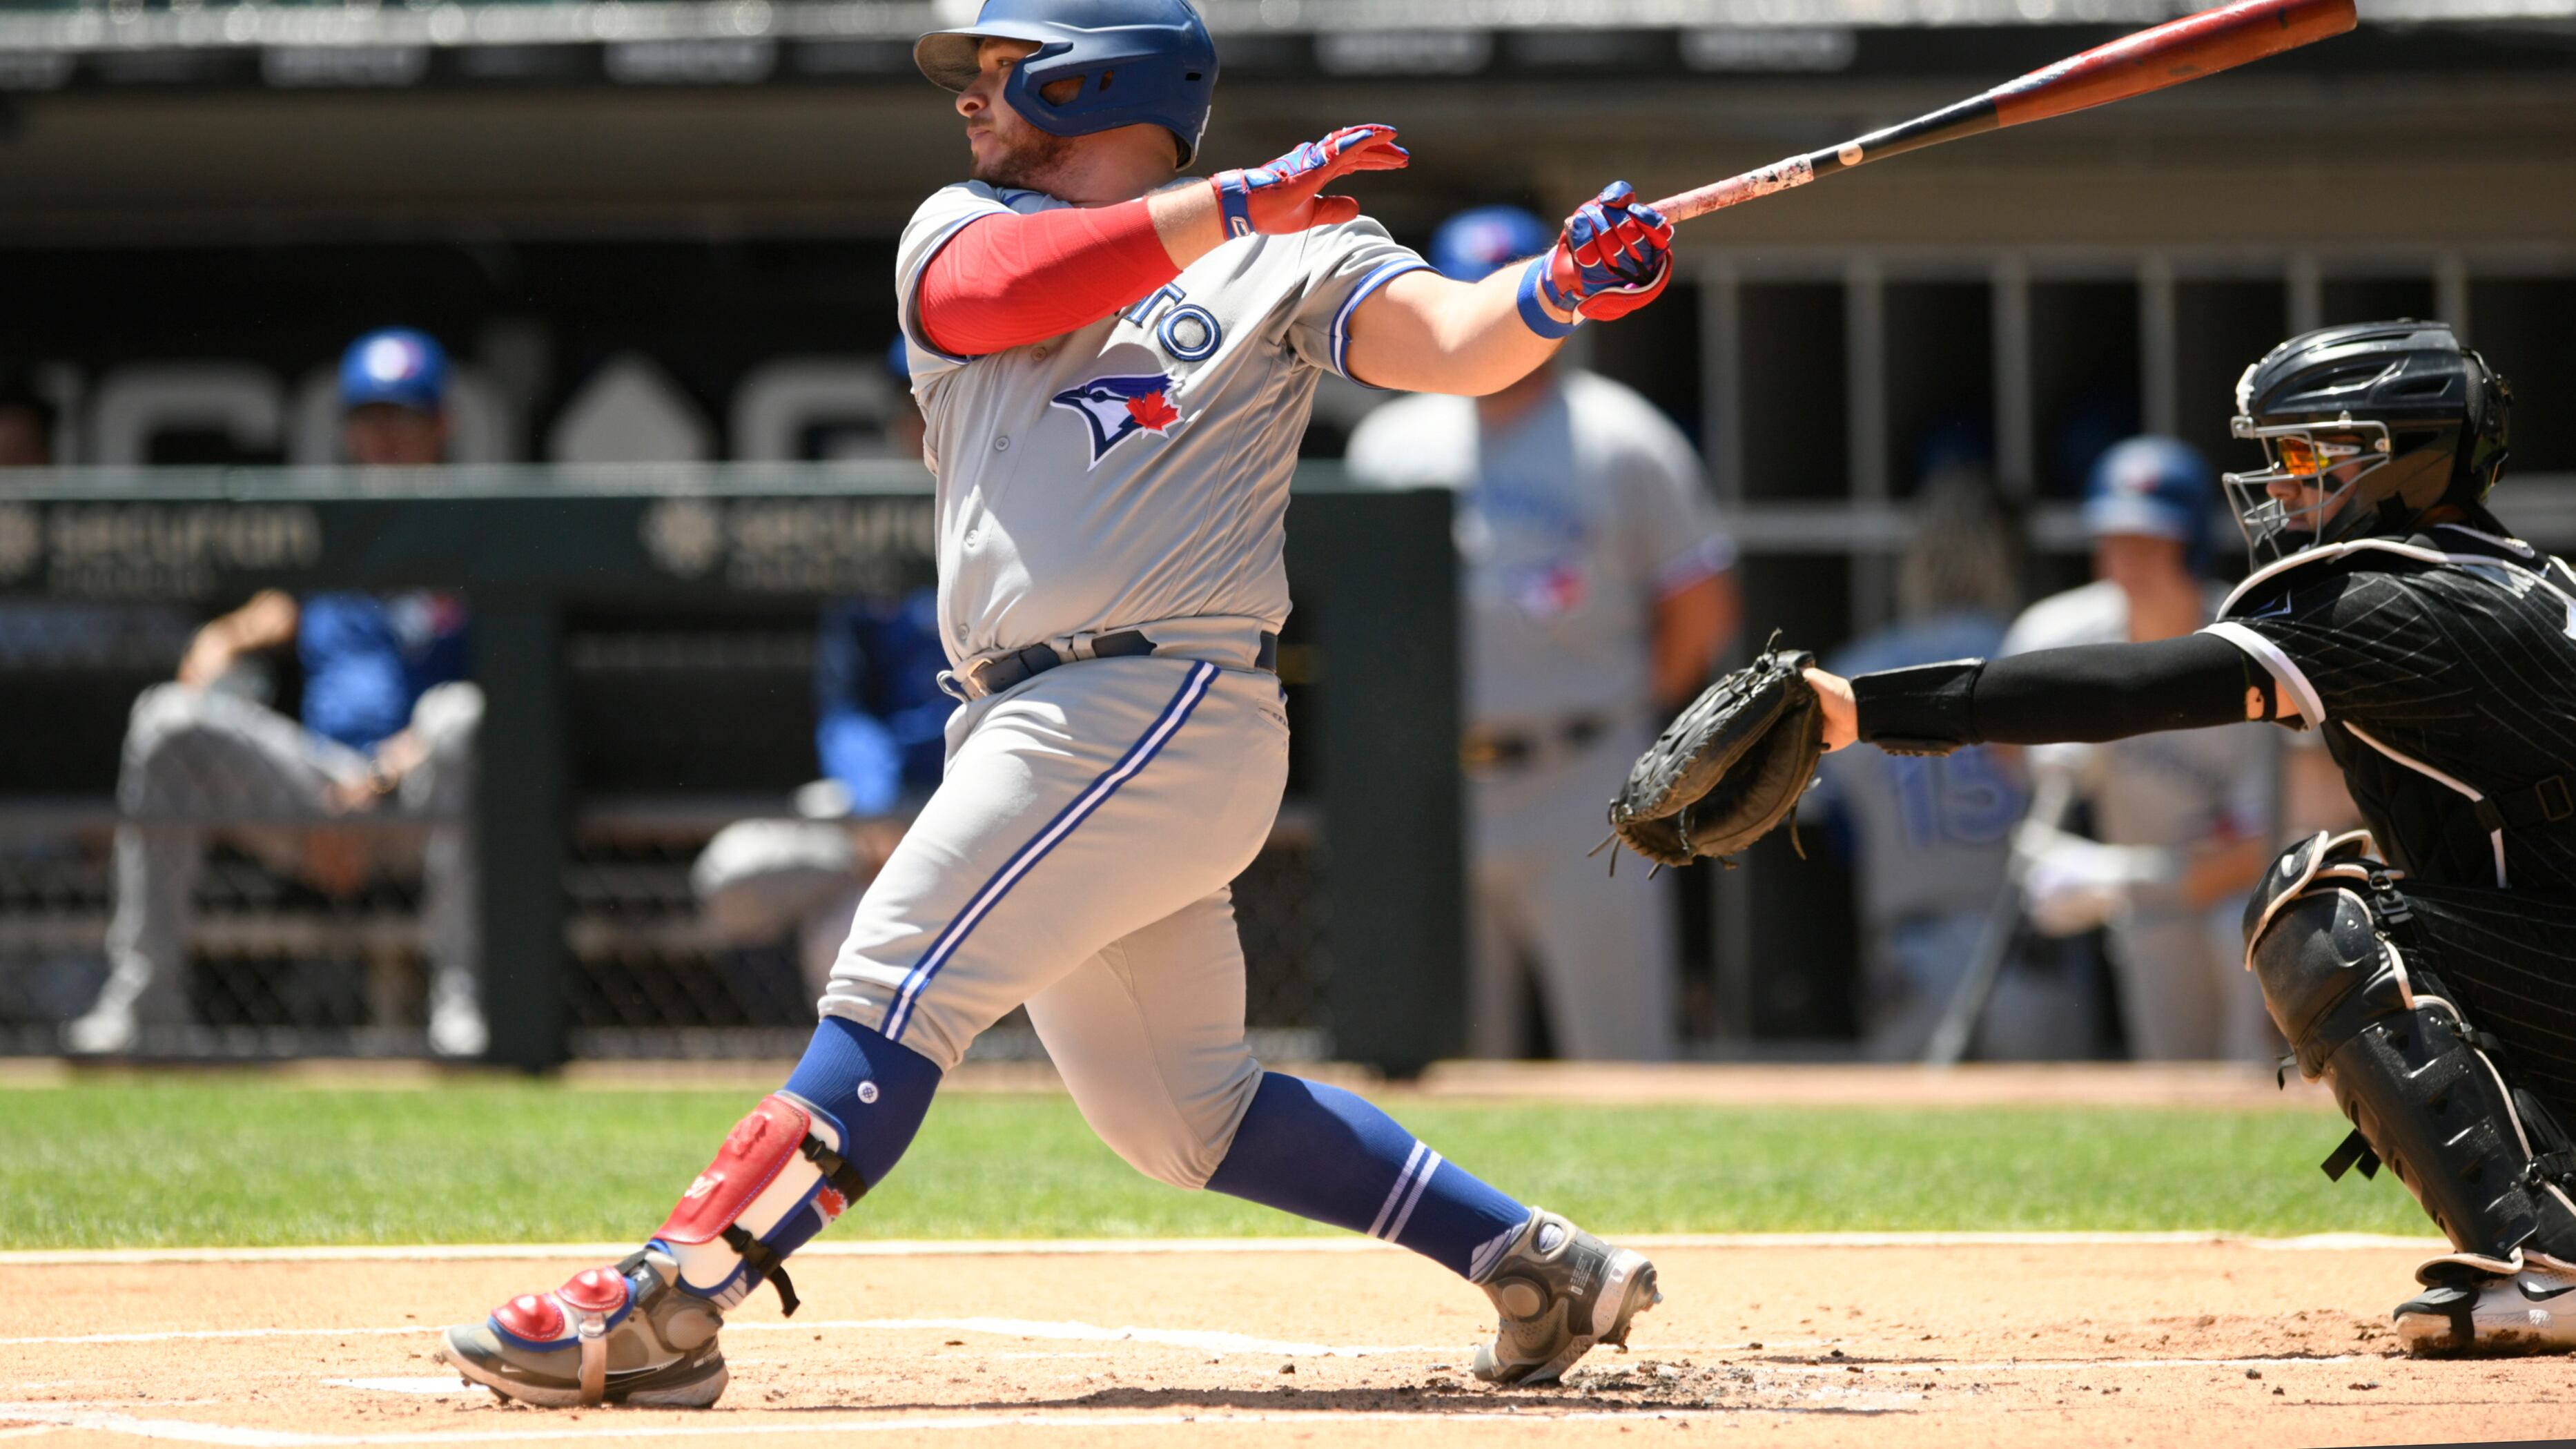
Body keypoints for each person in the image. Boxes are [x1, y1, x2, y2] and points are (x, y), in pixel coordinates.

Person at [437, 0, 1675, 1407]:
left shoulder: (1291, 247)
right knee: (1182, 1115)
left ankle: (671, 1299)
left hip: (1154, 693)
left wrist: (1556, 293)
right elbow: (1003, 295)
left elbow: (1451, 339)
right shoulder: (963, 225)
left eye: (1005, 71)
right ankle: (1534, 1262)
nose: (973, 98)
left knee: (893, 979)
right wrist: (1233, 202)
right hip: (1034, 714)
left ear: (1103, 79)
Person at [1799, 319, 2576, 1355]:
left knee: (2321, 910)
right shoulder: (2512, 574)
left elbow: (2133, 687)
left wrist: (1860, 709)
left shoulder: (2395, 598)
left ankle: (2549, 1256)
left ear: (2405, 462)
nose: (2283, 486)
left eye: (2309, 456)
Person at [1343, 205, 1737, 1062]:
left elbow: (1702, 603)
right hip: (1436, 779)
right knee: (1443, 1057)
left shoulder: (1623, 435)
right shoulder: (1391, 441)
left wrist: (1636, 723)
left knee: (1621, 1049)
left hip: (1586, 770)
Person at [66, 329, 487, 1058]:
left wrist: (383, 775)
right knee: (166, 719)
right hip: (316, 792)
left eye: (403, 418)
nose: (385, 437)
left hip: (422, 796)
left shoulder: (481, 532)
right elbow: (236, 633)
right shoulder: (330, 535)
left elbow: (505, 690)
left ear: (441, 426)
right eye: (370, 418)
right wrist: (214, 658)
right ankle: (146, 1005)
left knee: (460, 718)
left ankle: (463, 1003)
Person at [1998, 436, 2279, 1062]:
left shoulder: (2252, 646)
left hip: (2248, 904)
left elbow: (2266, 845)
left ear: (2191, 545)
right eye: (2115, 539)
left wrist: (2110, 877)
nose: (2127, 561)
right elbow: (2000, 741)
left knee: (2234, 940)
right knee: (2171, 1070)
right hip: (2148, 911)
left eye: (2150, 543)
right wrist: (2045, 756)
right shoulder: (2061, 633)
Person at [1809, 471, 2049, 1060]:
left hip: (1910, 952)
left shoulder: (1857, 671)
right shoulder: (2042, 657)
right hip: (2028, 949)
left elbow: (1830, 831)